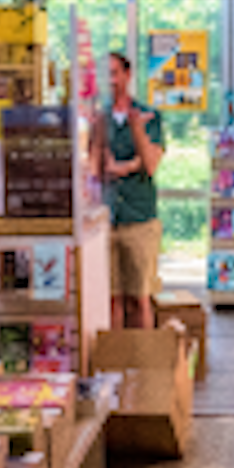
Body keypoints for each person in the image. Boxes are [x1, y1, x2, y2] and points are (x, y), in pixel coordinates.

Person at [96, 49, 166, 327]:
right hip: (107, 218)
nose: (110, 81)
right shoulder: (100, 119)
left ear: (127, 75)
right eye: (105, 75)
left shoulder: (149, 116)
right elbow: (93, 167)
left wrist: (136, 131)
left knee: (140, 297)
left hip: (140, 218)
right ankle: (116, 364)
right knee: (112, 298)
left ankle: (143, 364)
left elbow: (150, 164)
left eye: (114, 73)